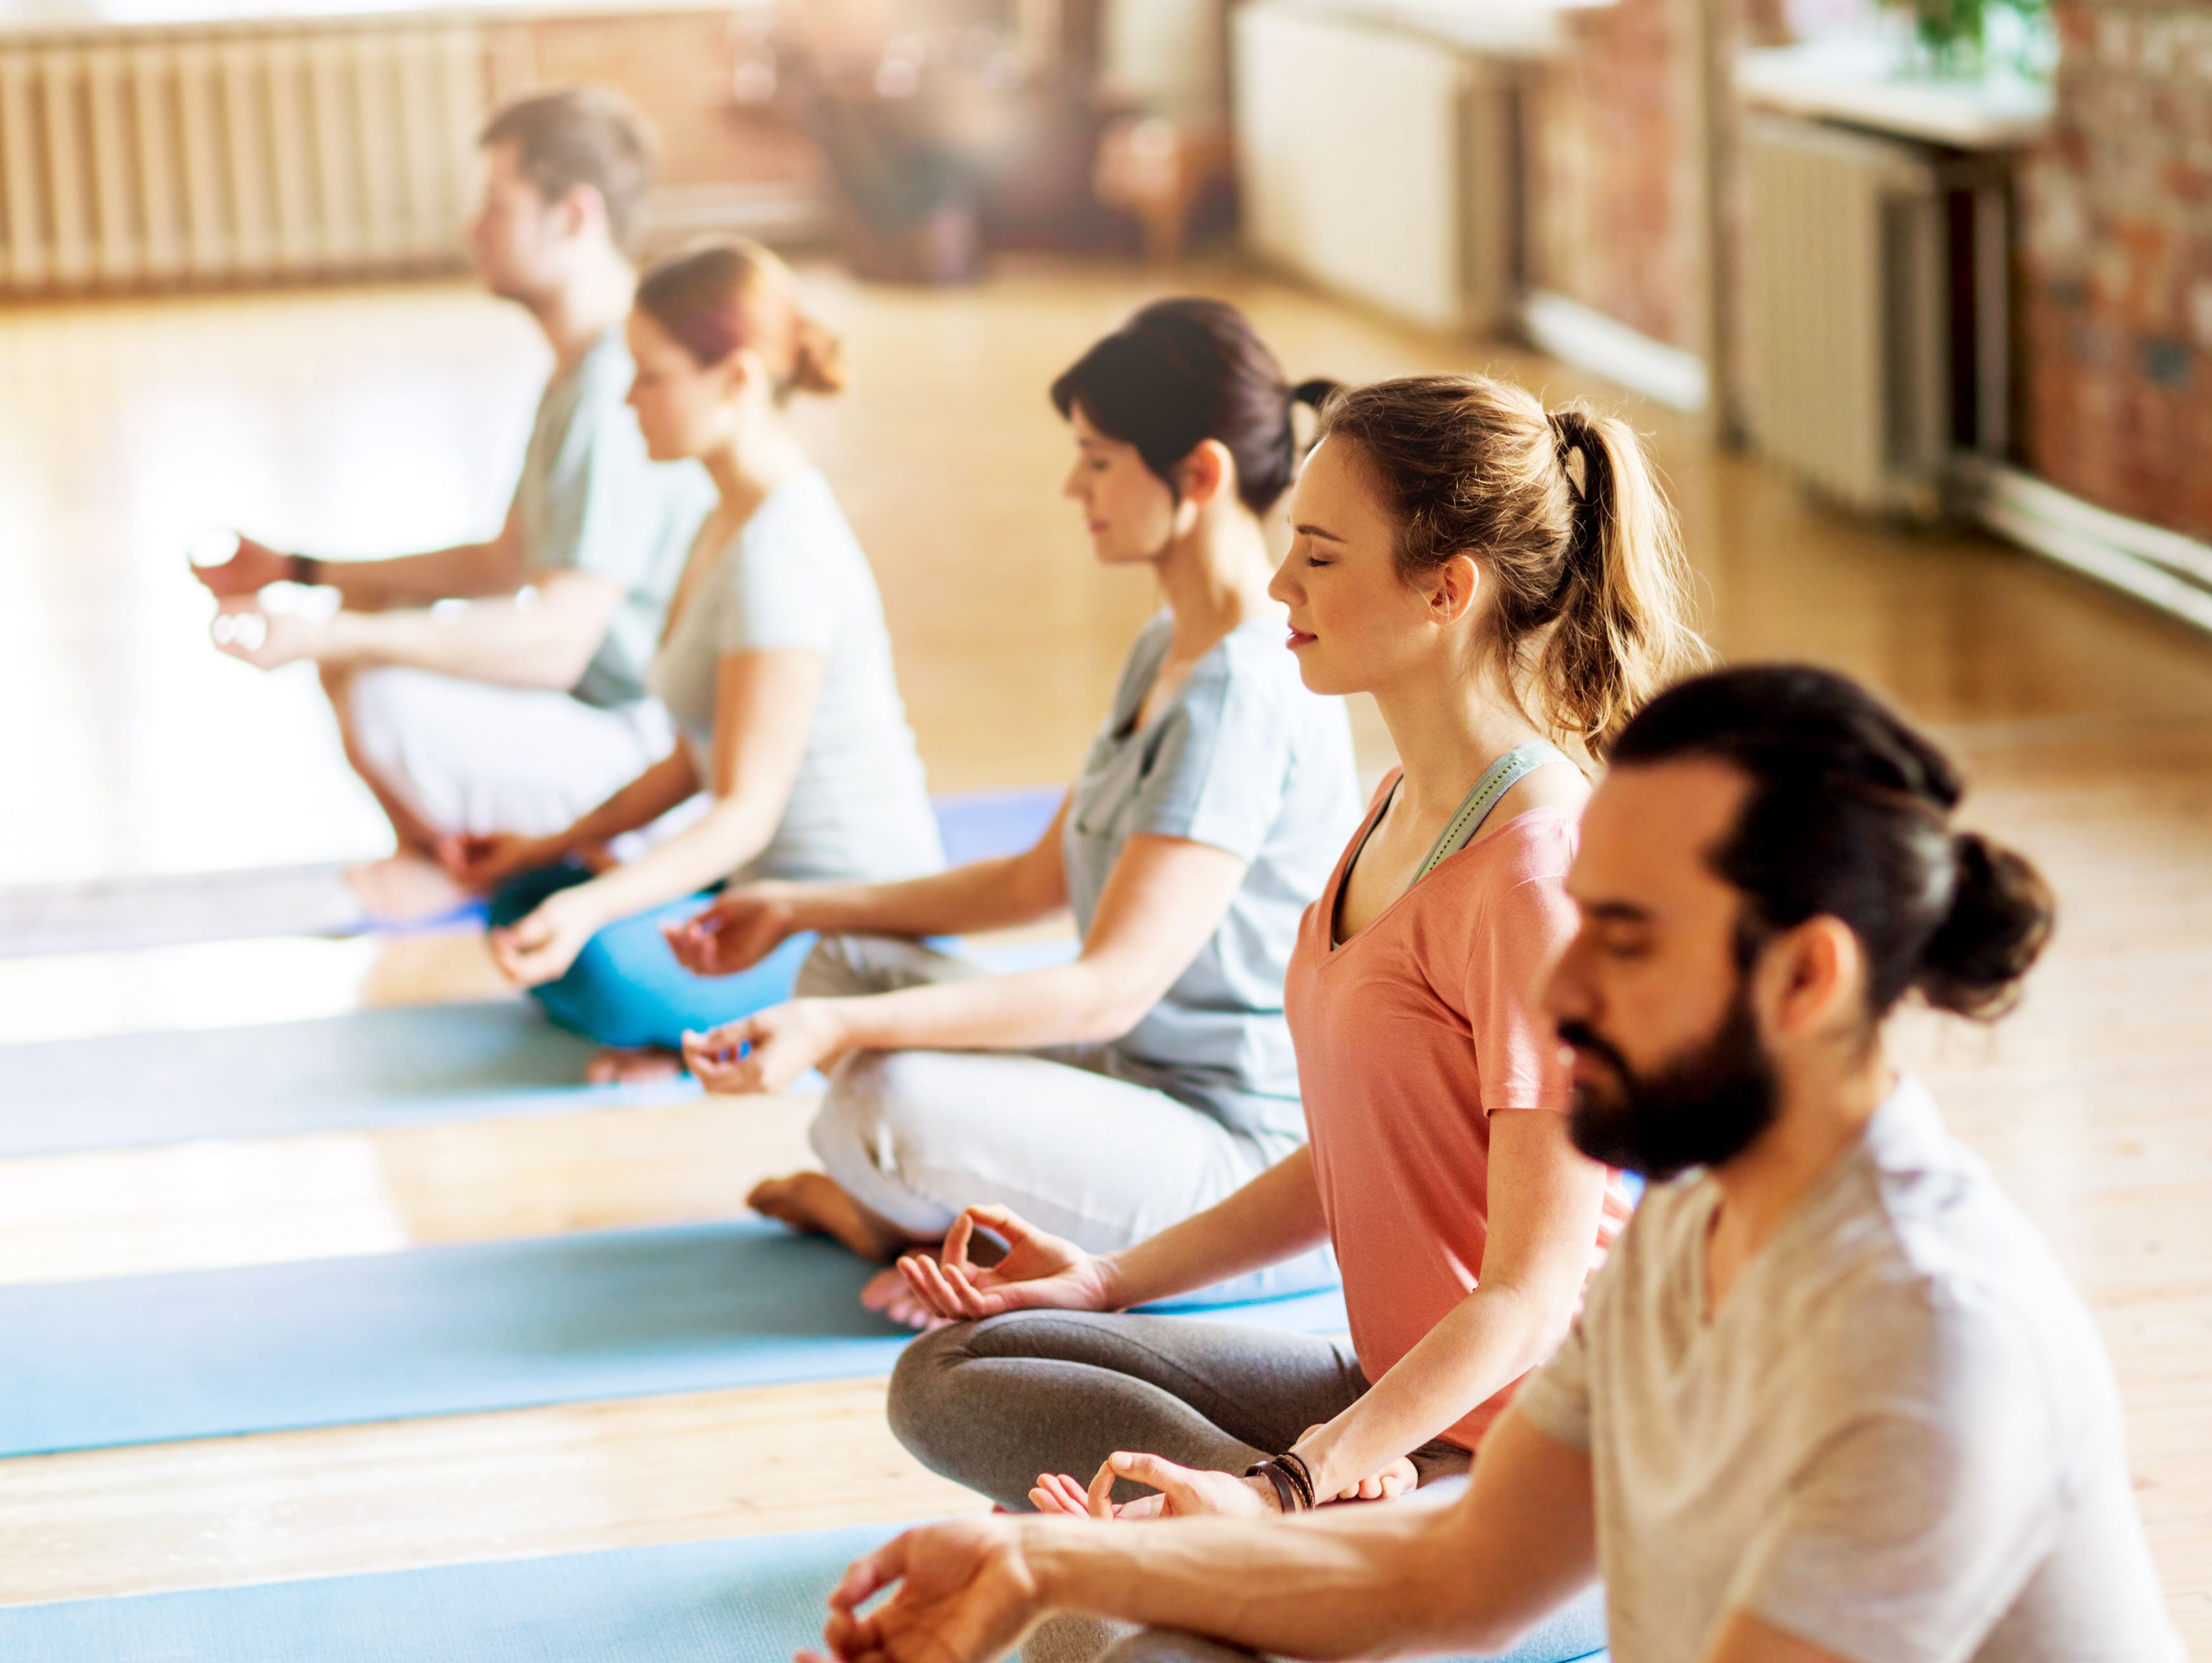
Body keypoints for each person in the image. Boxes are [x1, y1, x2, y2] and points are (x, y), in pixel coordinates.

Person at [795, 662, 2194, 1663]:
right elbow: (1464, 1564)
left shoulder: (1924, 1337)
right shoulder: (1690, 1231)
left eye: (1627, 941)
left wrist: (1245, 1505)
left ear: (1807, 980)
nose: (1564, 993)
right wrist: (1038, 1556)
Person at [873, 373, 1710, 1663]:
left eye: (1318, 557)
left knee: (1108, 1655)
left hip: (1552, 1486)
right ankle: (1207, 1527)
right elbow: (1352, 1157)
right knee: (954, 1370)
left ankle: (1219, 1539)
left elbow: (1532, 1294)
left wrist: (1281, 1483)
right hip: (1396, 1400)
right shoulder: (1396, 800)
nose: (1277, 590)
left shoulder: (1535, 879)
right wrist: (1101, 1281)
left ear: (1450, 589)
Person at [667, 298, 1360, 1320]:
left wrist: (835, 1028)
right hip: (1128, 1082)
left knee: (886, 1100)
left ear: (1199, 476)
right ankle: (936, 1218)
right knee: (840, 964)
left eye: (1096, 459)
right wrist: (798, 906)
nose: (1070, 486)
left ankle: (916, 1215)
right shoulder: (1164, 648)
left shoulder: (1238, 695)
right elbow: (1033, 882)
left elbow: (1106, 990)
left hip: (1234, 1155)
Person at [196, 86, 714, 919]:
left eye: (496, 206)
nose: (473, 227)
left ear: (573, 215)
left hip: (650, 754)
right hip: (604, 713)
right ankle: (454, 852)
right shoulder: (584, 367)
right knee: (367, 616)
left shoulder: (617, 380)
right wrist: (300, 569)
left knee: (371, 673)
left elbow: (555, 641)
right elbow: (502, 561)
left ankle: (468, 868)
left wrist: (331, 633)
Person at [461, 239, 942, 1079]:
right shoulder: (721, 517)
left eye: (651, 375)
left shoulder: (777, 555)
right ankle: (685, 1015)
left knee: (593, 957)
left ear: (737, 380)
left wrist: (595, 905)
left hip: (843, 931)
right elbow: (698, 752)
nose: (628, 399)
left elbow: (745, 812)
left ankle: (719, 1031)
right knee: (524, 902)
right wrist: (552, 848)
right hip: (752, 899)